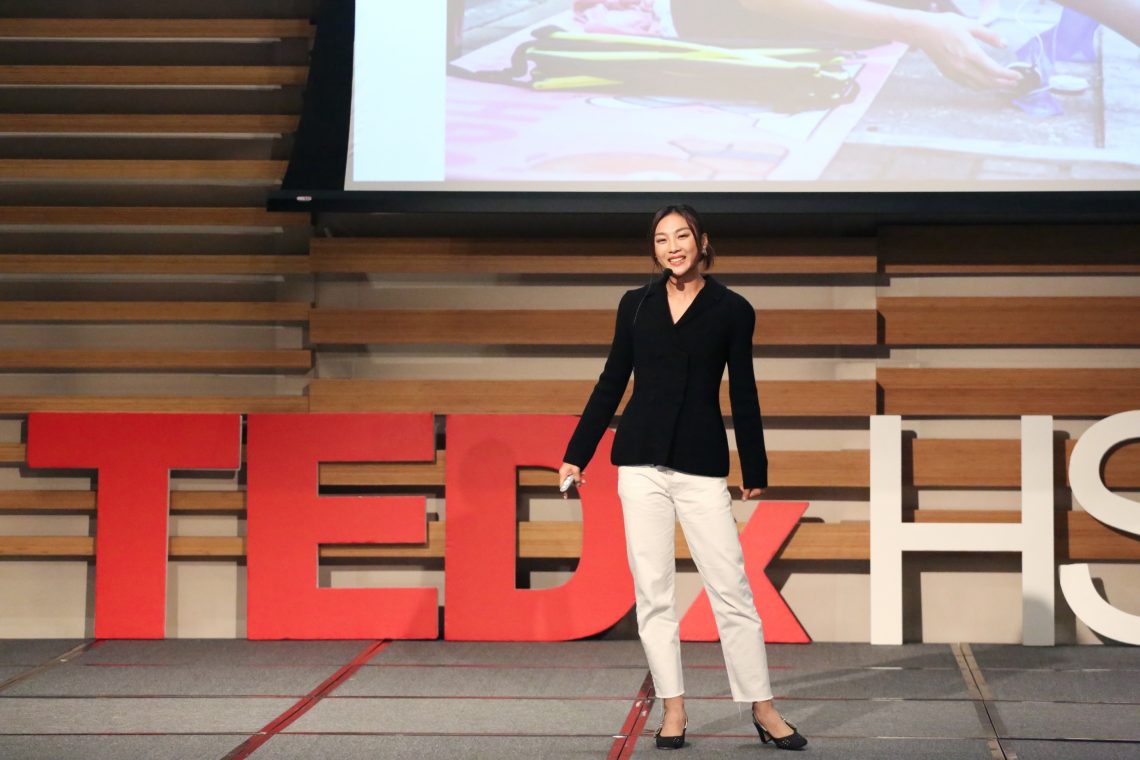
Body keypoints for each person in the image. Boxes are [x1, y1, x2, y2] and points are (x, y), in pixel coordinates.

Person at [559, 205, 807, 751]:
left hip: (700, 465)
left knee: (732, 590)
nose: (673, 246)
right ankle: (674, 710)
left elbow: (744, 389)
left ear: (702, 242)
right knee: (654, 594)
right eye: (662, 239)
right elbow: (611, 383)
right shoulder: (636, 305)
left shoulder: (732, 309)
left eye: (682, 236)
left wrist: (755, 466)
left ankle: (762, 708)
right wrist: (578, 453)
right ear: (654, 250)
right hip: (639, 465)